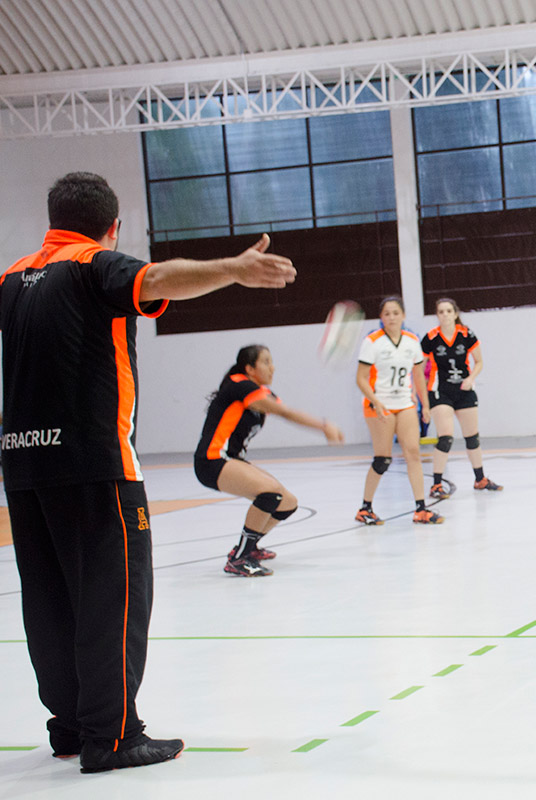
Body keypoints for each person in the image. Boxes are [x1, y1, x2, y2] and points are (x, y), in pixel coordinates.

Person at [0, 172, 295, 772]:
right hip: (96, 465)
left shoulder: (10, 278)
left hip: (24, 468)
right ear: (113, 226)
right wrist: (231, 268)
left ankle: (71, 726)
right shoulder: (95, 264)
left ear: (50, 219)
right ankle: (113, 736)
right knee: (113, 599)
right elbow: (154, 279)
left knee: (50, 603)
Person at [195, 345, 344, 577]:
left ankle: (249, 547)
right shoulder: (240, 385)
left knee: (287, 502)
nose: (272, 367)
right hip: (212, 460)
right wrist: (323, 426)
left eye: (271, 361)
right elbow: (285, 413)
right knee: (270, 493)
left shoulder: (261, 392)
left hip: (231, 460)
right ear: (250, 368)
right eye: (266, 362)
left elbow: (283, 408)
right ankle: (239, 558)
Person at [354, 296, 443, 525]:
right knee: (383, 459)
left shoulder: (412, 341)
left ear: (402, 315)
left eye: (395, 313)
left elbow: (418, 376)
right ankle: (365, 508)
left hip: (405, 404)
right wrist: (375, 401)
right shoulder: (372, 341)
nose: (391, 317)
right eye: (386, 313)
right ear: (381, 317)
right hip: (379, 406)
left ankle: (421, 508)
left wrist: (425, 405)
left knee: (413, 453)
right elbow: (361, 379)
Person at [421, 298, 502, 499]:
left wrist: (471, 378)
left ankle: (480, 479)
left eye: (449, 311)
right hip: (441, 391)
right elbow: (419, 368)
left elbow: (479, 361)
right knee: (446, 437)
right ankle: (437, 484)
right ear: (437, 315)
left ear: (455, 313)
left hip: (464, 390)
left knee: (472, 437)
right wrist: (422, 401)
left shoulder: (466, 334)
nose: (445, 314)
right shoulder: (430, 338)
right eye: (441, 311)